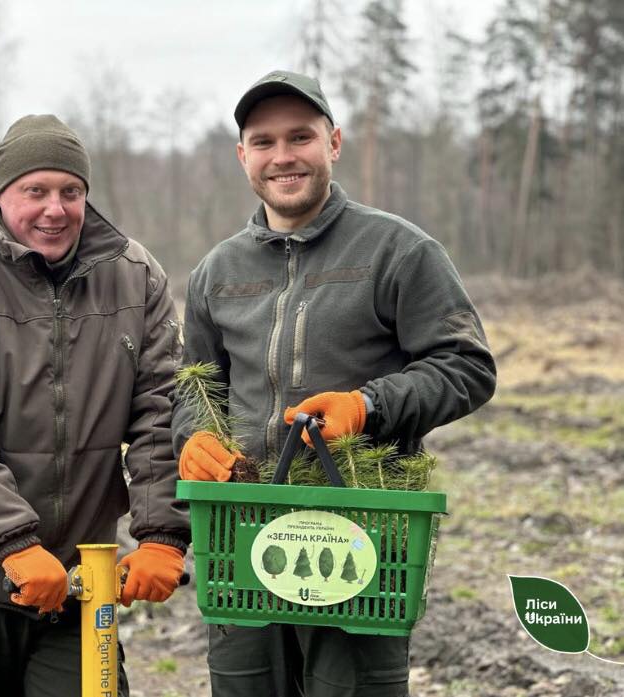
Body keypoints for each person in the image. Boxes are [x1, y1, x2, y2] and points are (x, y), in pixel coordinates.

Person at [172, 71, 497, 696]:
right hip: (241, 533)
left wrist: (367, 406)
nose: (283, 156)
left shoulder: (399, 250)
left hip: (362, 532)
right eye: (263, 142)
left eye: (301, 136)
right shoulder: (217, 270)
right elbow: (193, 387)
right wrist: (194, 444)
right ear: (243, 156)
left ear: (334, 143)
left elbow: (467, 366)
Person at [0, 114, 189, 697]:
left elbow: (162, 411)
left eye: (70, 192)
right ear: (0, 195)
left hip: (81, 576)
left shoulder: (135, 277)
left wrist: (163, 534)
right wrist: (13, 543)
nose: (55, 209)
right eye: (36, 191)